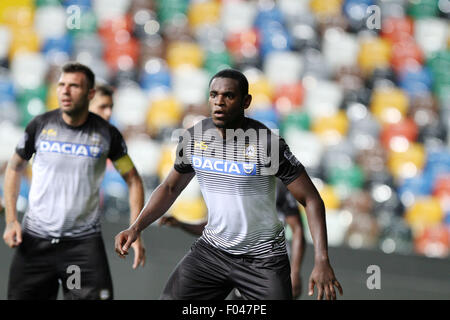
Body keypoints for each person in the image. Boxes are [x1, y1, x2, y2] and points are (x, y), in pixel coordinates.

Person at [115, 69, 343, 300]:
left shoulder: (266, 144)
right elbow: (170, 188)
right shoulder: (195, 137)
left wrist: (321, 260)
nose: (219, 102)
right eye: (214, 95)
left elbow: (311, 199)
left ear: (246, 101)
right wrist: (136, 227)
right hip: (212, 252)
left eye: (229, 96)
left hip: (263, 260)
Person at [2, 62, 146, 300]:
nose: (65, 91)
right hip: (35, 244)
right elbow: (15, 166)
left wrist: (135, 230)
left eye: (74, 86)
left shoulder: (106, 134)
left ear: (90, 94)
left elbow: (133, 180)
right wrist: (10, 220)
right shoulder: (40, 125)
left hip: (80, 249)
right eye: (61, 85)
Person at [159, 180, 306, 299]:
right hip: (233, 259)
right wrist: (182, 224)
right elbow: (214, 227)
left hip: (267, 263)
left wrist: (295, 271)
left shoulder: (276, 184)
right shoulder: (228, 183)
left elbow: (297, 228)